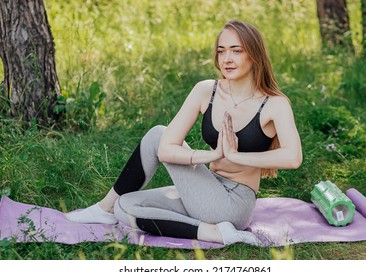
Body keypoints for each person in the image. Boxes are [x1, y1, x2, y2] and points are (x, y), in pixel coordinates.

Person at [65, 20, 302, 246]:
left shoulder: (274, 104)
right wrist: (211, 156)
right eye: (221, 51)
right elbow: (166, 149)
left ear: (254, 54)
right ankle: (215, 233)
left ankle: (102, 209)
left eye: (236, 51)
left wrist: (236, 156)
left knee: (158, 134)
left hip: (234, 204)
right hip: (205, 188)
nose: (227, 59)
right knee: (125, 206)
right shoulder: (206, 90)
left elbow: (293, 157)